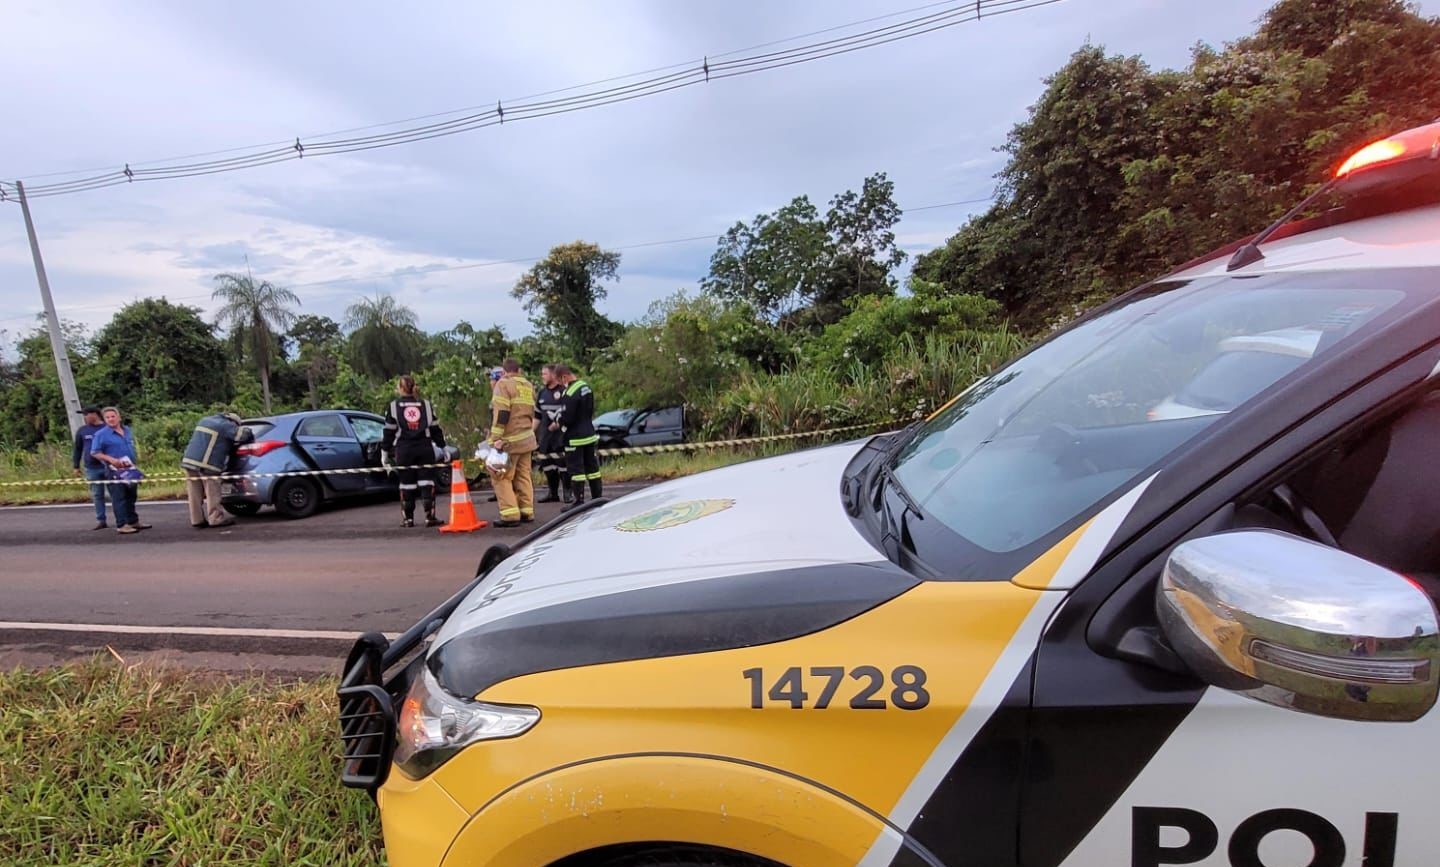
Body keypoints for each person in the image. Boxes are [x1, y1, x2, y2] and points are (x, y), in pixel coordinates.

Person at [382, 375, 447, 528]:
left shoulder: (393, 406)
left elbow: (389, 432)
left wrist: (384, 452)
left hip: (404, 450)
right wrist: (443, 446)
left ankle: (408, 519)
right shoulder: (426, 405)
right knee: (427, 481)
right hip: (424, 448)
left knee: (406, 483)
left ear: (400, 388)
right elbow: (435, 429)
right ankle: (430, 517)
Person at [487, 358, 539, 527]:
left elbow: (502, 413)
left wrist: (495, 439)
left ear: (504, 370)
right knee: (523, 475)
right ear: (519, 370)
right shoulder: (527, 386)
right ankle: (526, 511)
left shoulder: (503, 385)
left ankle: (509, 515)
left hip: (509, 440)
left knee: (500, 476)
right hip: (527, 438)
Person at [180, 411, 253, 529]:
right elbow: (241, 436)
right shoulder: (225, 425)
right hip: (207, 463)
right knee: (212, 491)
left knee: (194, 491)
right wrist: (248, 430)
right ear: (233, 421)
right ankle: (215, 519)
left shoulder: (205, 420)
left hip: (189, 461)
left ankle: (196, 520)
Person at [89, 406, 151, 535]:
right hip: (114, 470)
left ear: (119, 417)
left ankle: (133, 520)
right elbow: (95, 452)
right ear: (104, 420)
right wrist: (110, 459)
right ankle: (122, 524)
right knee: (119, 497)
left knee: (131, 496)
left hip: (129, 468)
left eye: (113, 416)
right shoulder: (101, 435)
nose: (111, 419)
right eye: (107, 417)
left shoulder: (127, 430)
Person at [553, 364, 601, 509]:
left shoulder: (569, 393)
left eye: (560, 381)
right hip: (589, 433)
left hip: (575, 437)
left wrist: (559, 421)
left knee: (576, 470)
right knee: (592, 468)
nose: (561, 385)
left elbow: (567, 417)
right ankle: (597, 497)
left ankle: (578, 501)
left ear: (564, 377)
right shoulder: (586, 387)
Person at [534, 363, 571, 504]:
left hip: (560, 436)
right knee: (547, 465)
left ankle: (567, 492)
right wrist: (531, 433)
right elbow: (537, 416)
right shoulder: (542, 393)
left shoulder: (564, 391)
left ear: (553, 375)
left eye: (545, 374)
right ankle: (552, 493)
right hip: (545, 437)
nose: (542, 376)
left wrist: (558, 424)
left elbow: (568, 413)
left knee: (563, 464)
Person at [71, 405, 109, 530]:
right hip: (91, 467)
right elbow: (78, 449)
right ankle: (101, 519)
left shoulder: (107, 428)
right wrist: (76, 466)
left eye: (86, 414)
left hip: (108, 465)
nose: (85, 417)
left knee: (116, 494)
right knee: (97, 494)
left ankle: (123, 518)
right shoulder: (82, 430)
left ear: (95, 414)